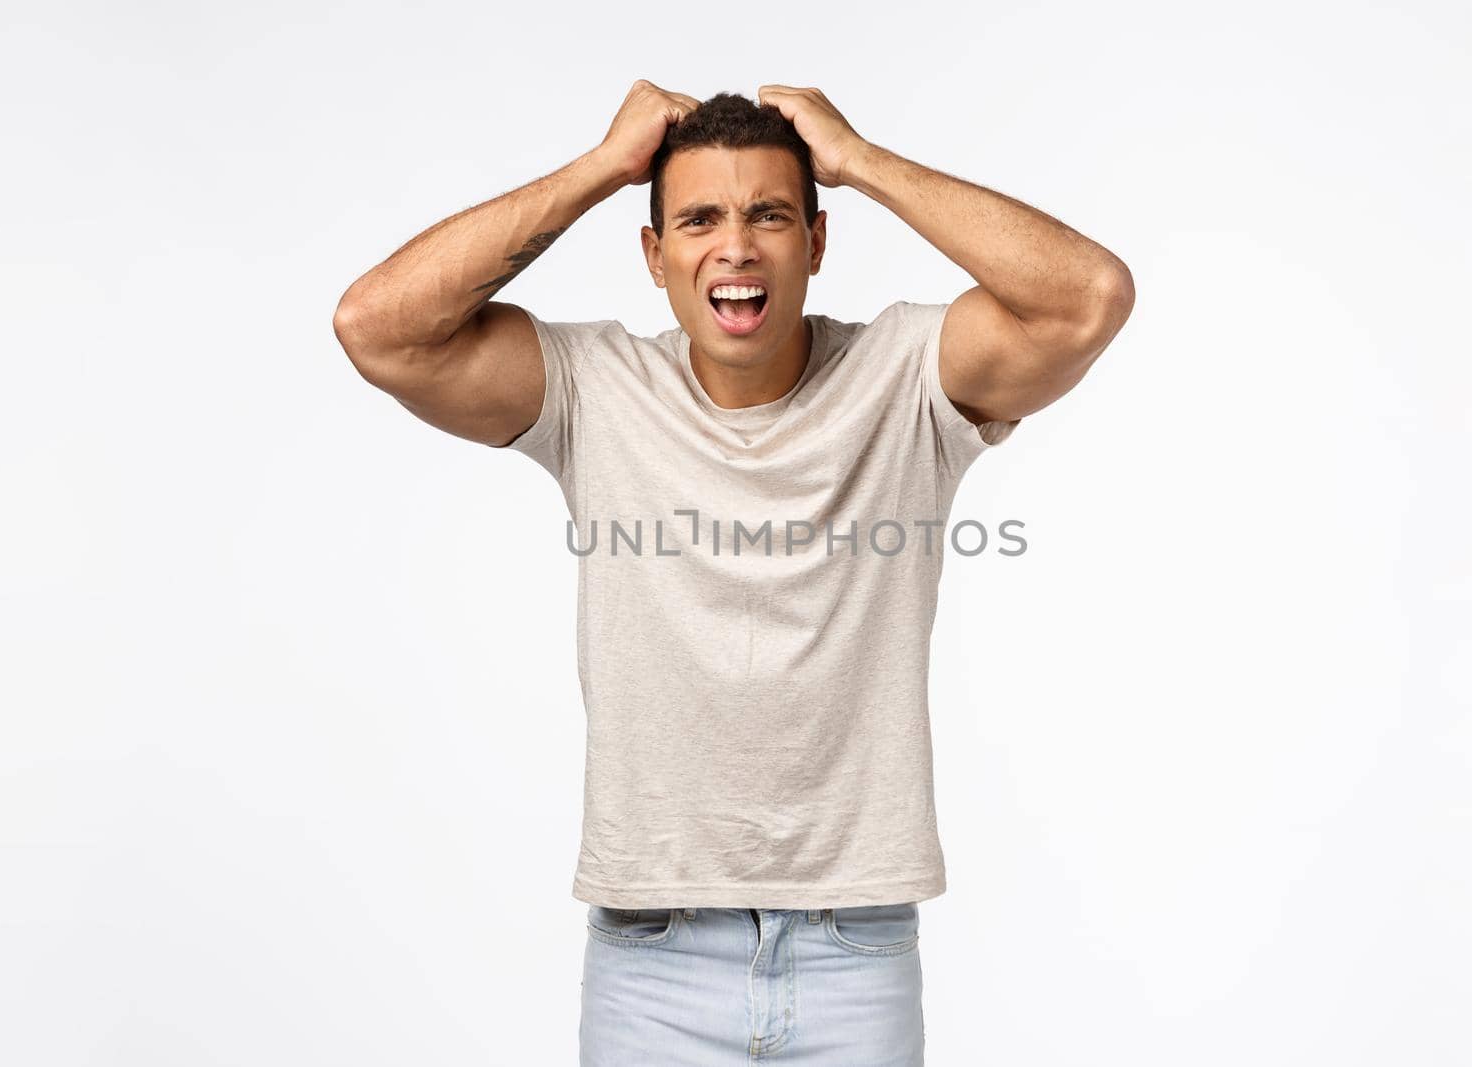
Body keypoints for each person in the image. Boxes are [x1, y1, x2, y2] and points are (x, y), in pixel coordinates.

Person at [332, 80, 1133, 1066]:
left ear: (817, 241)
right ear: (655, 254)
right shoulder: (594, 387)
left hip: (854, 947)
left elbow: (1087, 296)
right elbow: (377, 326)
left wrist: (859, 158)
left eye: (769, 214)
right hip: (652, 957)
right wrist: (599, 170)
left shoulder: (909, 373)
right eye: (699, 218)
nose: (736, 246)